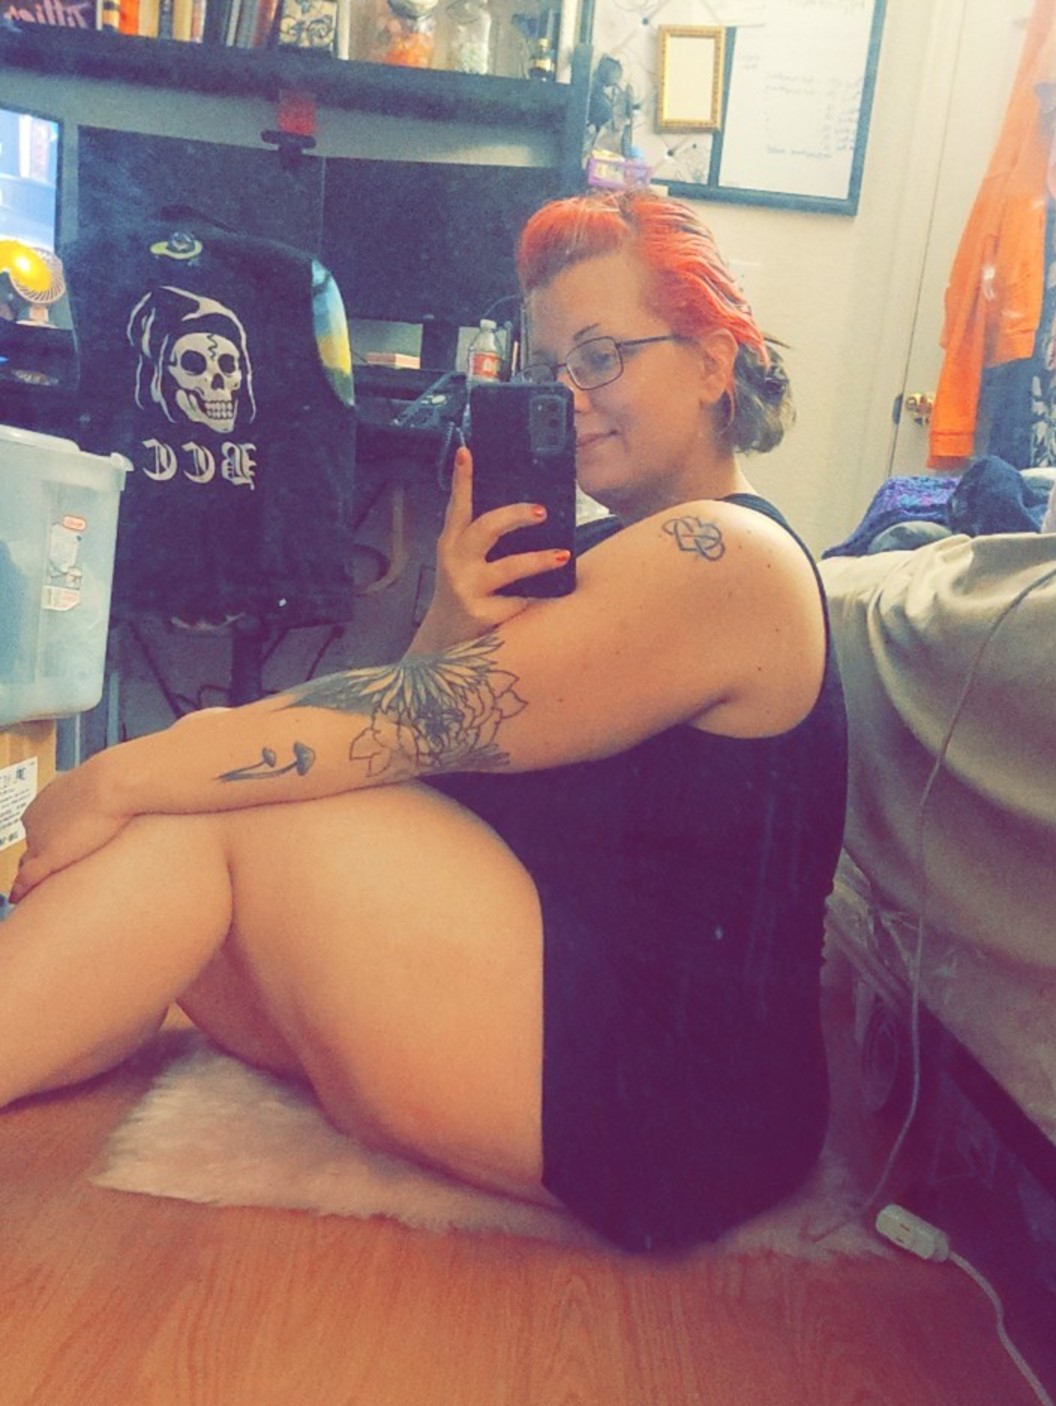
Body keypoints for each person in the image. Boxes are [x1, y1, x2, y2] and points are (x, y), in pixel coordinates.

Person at [1, 189, 847, 1253]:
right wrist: (451, 614)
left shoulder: (726, 559)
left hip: (677, 1106)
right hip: (572, 1024)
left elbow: (393, 729)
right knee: (193, 819)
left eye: (601, 358)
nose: (570, 398)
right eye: (548, 368)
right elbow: (413, 755)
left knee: (217, 802)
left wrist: (116, 774)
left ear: (715, 361)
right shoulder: (611, 553)